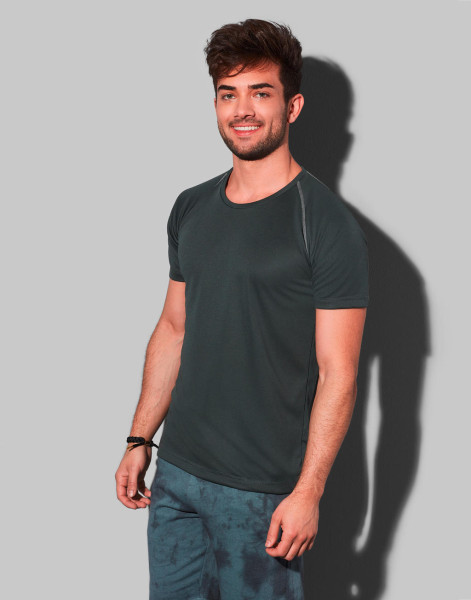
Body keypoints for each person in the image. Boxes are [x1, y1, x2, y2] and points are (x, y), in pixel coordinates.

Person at [115, 18, 369, 600]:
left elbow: (339, 373)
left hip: (261, 493)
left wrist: (308, 492)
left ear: (292, 106)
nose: (243, 110)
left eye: (261, 92)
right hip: (176, 477)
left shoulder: (326, 225)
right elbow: (173, 328)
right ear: (215, 105)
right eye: (228, 94)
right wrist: (139, 440)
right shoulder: (191, 207)